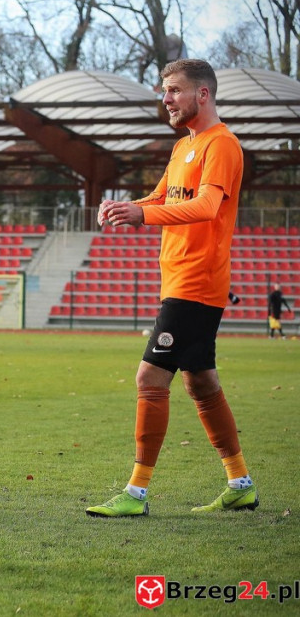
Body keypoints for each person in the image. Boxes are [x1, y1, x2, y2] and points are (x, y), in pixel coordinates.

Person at [87, 59, 257, 517]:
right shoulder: (186, 145)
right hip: (181, 279)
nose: (166, 99)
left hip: (196, 280)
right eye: (165, 91)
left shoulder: (221, 145)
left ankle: (136, 492)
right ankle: (240, 483)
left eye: (174, 91)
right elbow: (163, 196)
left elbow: (205, 206)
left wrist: (143, 215)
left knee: (149, 378)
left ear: (202, 94)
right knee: (200, 381)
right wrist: (127, 206)